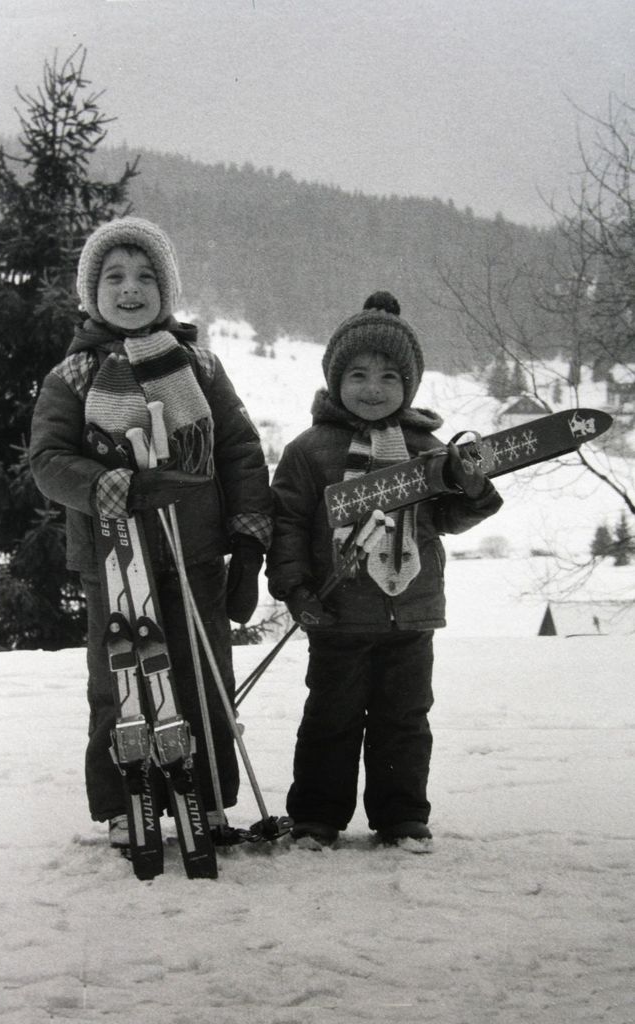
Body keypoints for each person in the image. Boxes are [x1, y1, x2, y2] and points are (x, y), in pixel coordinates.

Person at [30, 216, 272, 847]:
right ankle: (122, 800)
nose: (130, 288)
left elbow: (241, 451)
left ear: (166, 290)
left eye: (145, 276)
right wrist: (122, 489)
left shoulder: (200, 367)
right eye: (114, 277)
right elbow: (49, 462)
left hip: (194, 555)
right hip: (111, 560)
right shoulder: (73, 377)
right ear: (92, 292)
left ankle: (209, 798)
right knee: (120, 681)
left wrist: (247, 544)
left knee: (199, 676)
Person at [266, 291, 502, 851]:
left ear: (411, 385)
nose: (374, 388)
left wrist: (470, 489)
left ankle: (401, 818)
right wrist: (296, 590)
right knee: (331, 720)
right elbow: (289, 524)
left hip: (410, 615)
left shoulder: (428, 449)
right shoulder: (310, 450)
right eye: (359, 374)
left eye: (391, 376)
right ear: (334, 378)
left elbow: (446, 517)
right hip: (337, 616)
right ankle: (316, 819)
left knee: (404, 722)